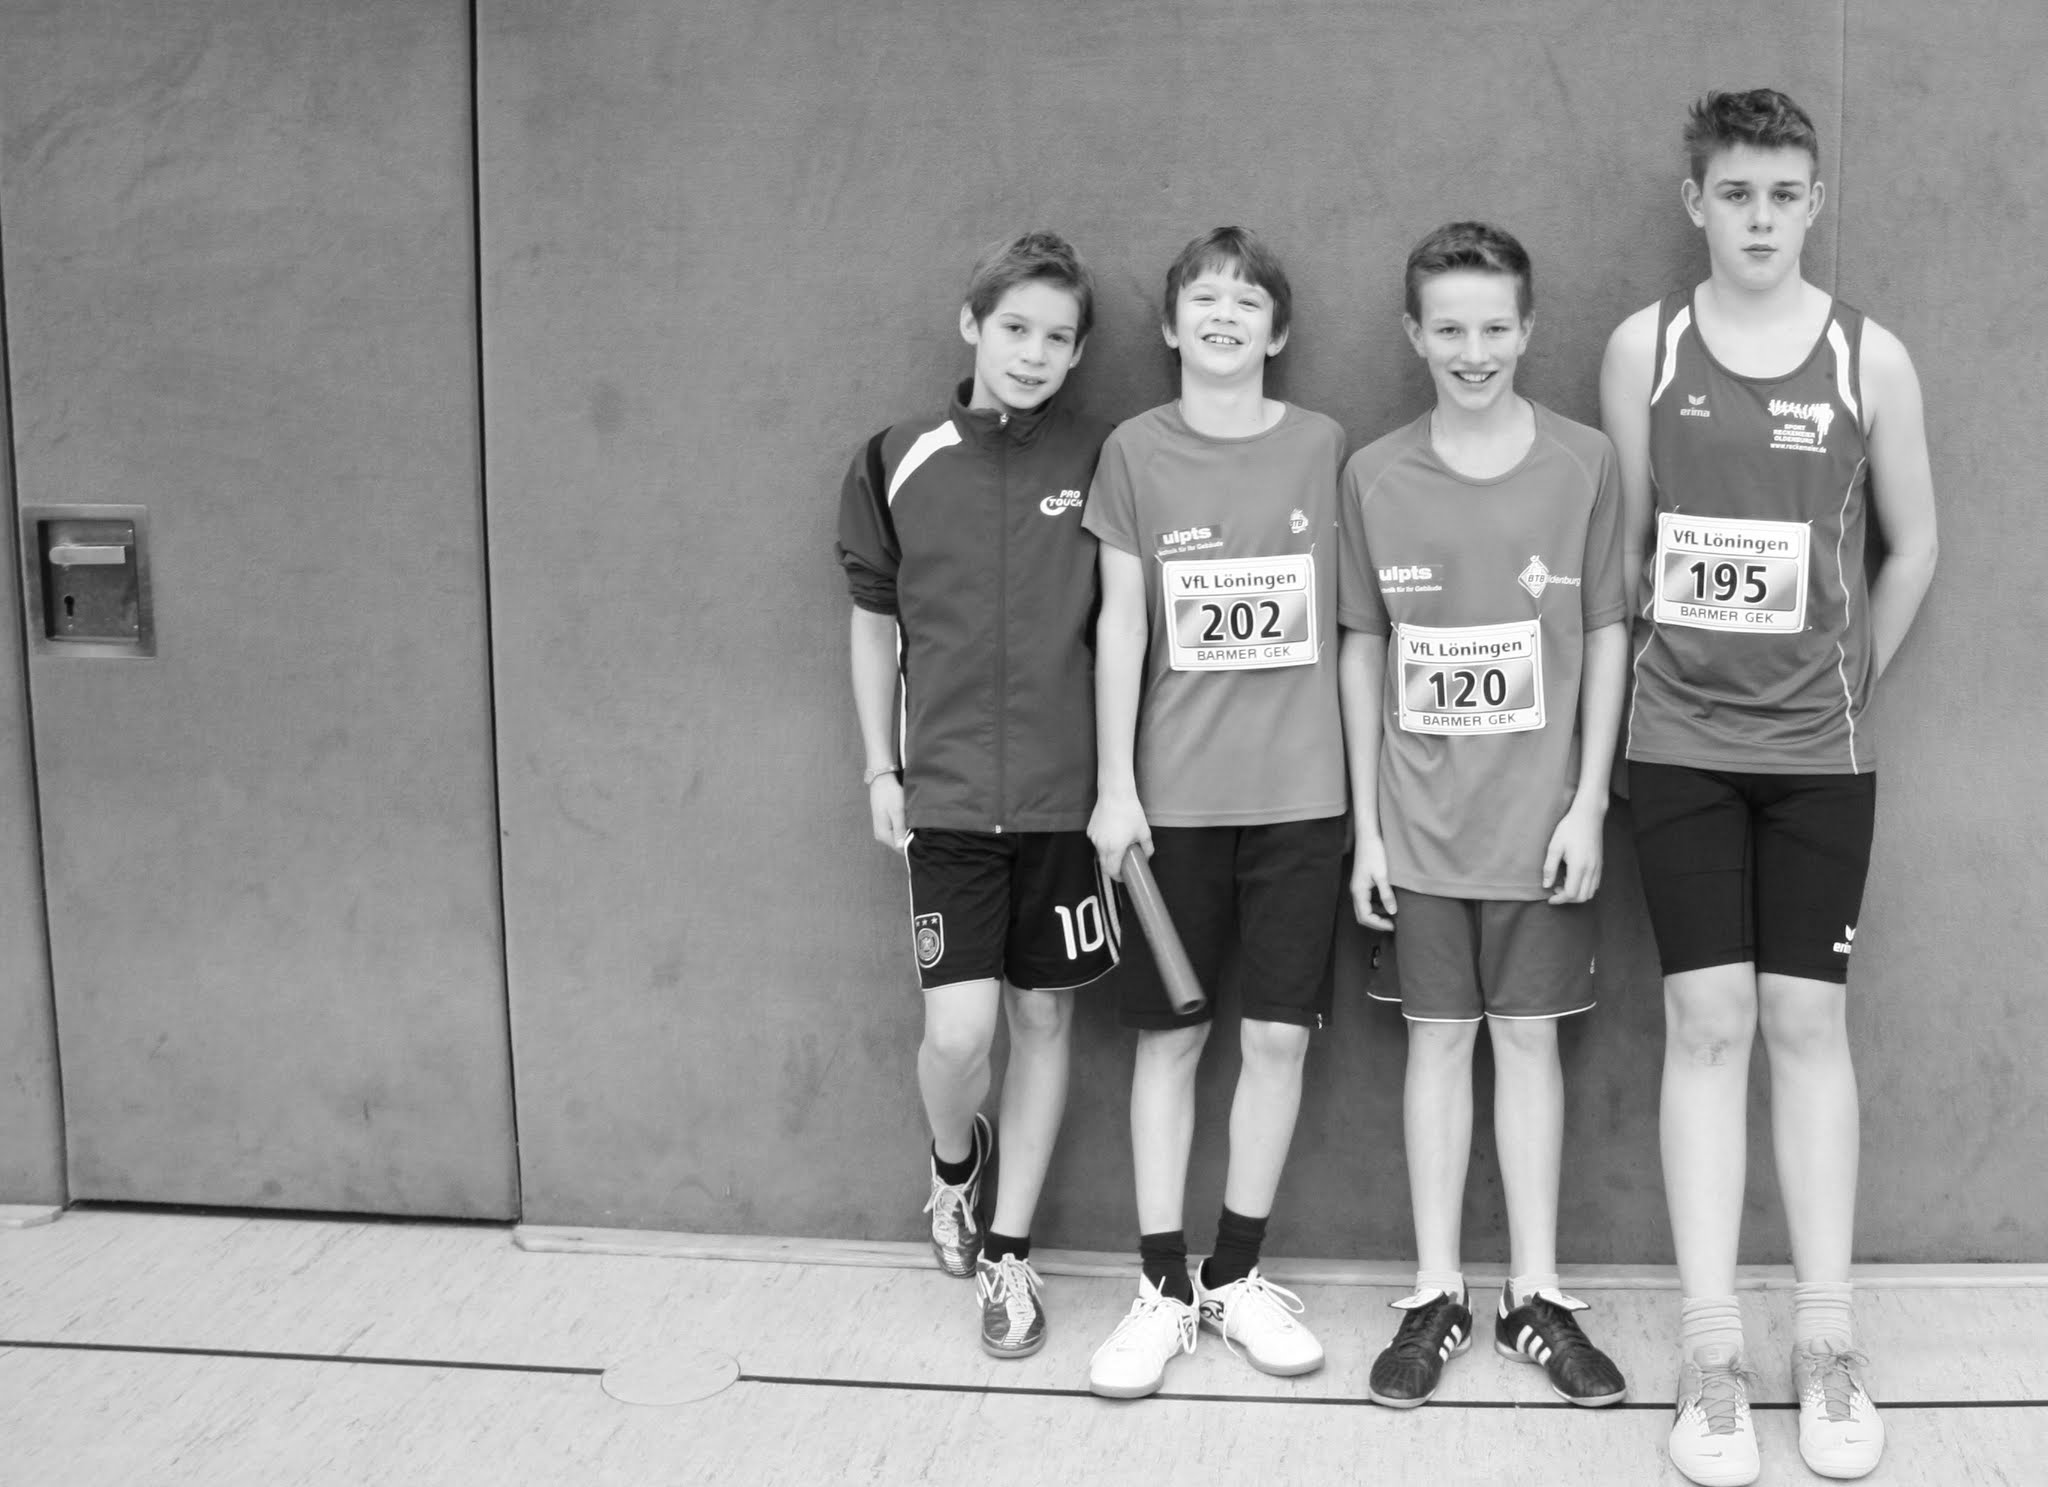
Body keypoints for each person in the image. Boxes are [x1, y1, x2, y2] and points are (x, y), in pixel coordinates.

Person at [1601, 90, 1937, 1484]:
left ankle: (1826, 1336)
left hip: (1817, 755)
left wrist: (1848, 677)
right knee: (1706, 1020)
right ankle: (1711, 1352)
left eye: (1782, 193)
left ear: (1813, 203)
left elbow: (1913, 547)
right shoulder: (1643, 347)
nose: (1758, 217)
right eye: (1734, 192)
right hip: (1677, 741)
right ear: (1695, 202)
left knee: (1806, 1021)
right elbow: (1626, 554)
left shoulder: (1870, 356)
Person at [1337, 221, 1630, 1412]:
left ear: (1527, 329)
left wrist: (1588, 802)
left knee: (1527, 1046)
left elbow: (1606, 631)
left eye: (1493, 326)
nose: (1472, 350)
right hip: (1416, 830)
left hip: (1538, 829)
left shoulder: (1583, 462)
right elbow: (1361, 646)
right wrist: (1366, 828)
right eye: (1448, 327)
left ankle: (1533, 1294)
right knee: (1436, 1044)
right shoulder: (1371, 473)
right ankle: (1434, 1291)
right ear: (1412, 334)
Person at [836, 230, 1120, 1360]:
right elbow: (873, 622)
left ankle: (1009, 1252)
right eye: (1014, 328)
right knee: (959, 1037)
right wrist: (880, 765)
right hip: (948, 801)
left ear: (1079, 351)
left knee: (1043, 1019)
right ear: (971, 325)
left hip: (1064, 806)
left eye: (1057, 336)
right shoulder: (896, 457)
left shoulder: (1104, 456)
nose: (1033, 353)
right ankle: (955, 1168)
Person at [1081, 226, 1348, 1400]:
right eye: (1204, 296)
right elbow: (1121, 623)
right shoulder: (1132, 450)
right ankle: (1159, 1287)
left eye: (1247, 300)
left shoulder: (1322, 446)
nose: (1225, 314)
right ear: (1169, 324)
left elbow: (1354, 620)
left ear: (1275, 331)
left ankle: (1233, 1274)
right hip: (1170, 810)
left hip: (1302, 800)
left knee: (1277, 1038)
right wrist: (1114, 786)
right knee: (1171, 1037)